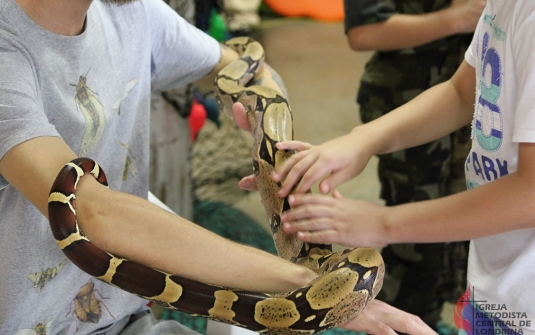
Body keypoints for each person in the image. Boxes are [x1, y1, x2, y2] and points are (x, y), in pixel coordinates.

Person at [0, 0, 436, 334]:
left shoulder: (132, 13)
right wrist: (305, 282)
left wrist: (270, 139)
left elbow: (256, 74)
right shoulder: (8, 48)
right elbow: (91, 210)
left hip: (124, 317)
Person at [249, 0, 535, 334]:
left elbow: (530, 194)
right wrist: (362, 141)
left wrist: (381, 224)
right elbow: (462, 91)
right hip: (498, 279)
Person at [343, 0, 485, 328]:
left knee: (465, 238)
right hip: (412, 102)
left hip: (479, 109)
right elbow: (363, 31)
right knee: (417, 251)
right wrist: (457, 18)